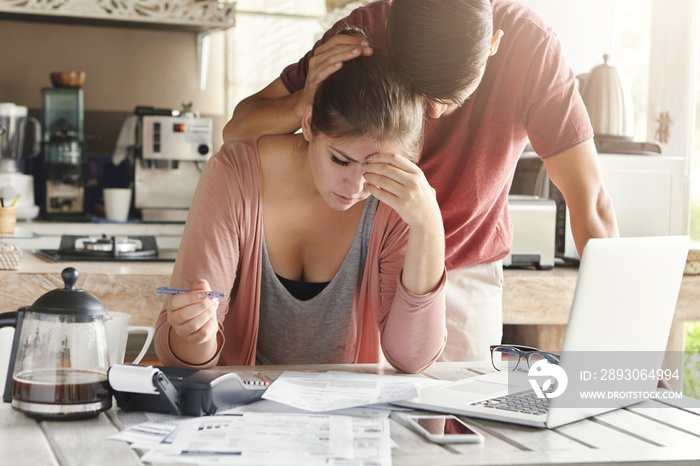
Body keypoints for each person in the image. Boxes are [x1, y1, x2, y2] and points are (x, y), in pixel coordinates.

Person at [222, 0, 619, 362]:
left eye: (450, 100)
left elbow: (591, 203)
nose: (433, 115)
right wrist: (304, 98)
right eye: (420, 93)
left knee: (463, 425)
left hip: (465, 263)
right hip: (366, 270)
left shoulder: (532, 48)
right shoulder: (363, 34)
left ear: (493, 43)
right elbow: (237, 130)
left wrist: (620, 352)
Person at [154, 31, 447, 374]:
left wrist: (429, 227)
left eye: (377, 170)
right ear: (308, 125)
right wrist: (195, 335)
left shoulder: (396, 201)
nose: (356, 186)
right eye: (340, 160)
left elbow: (412, 359)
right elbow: (180, 359)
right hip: (242, 418)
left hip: (350, 420)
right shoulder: (233, 176)